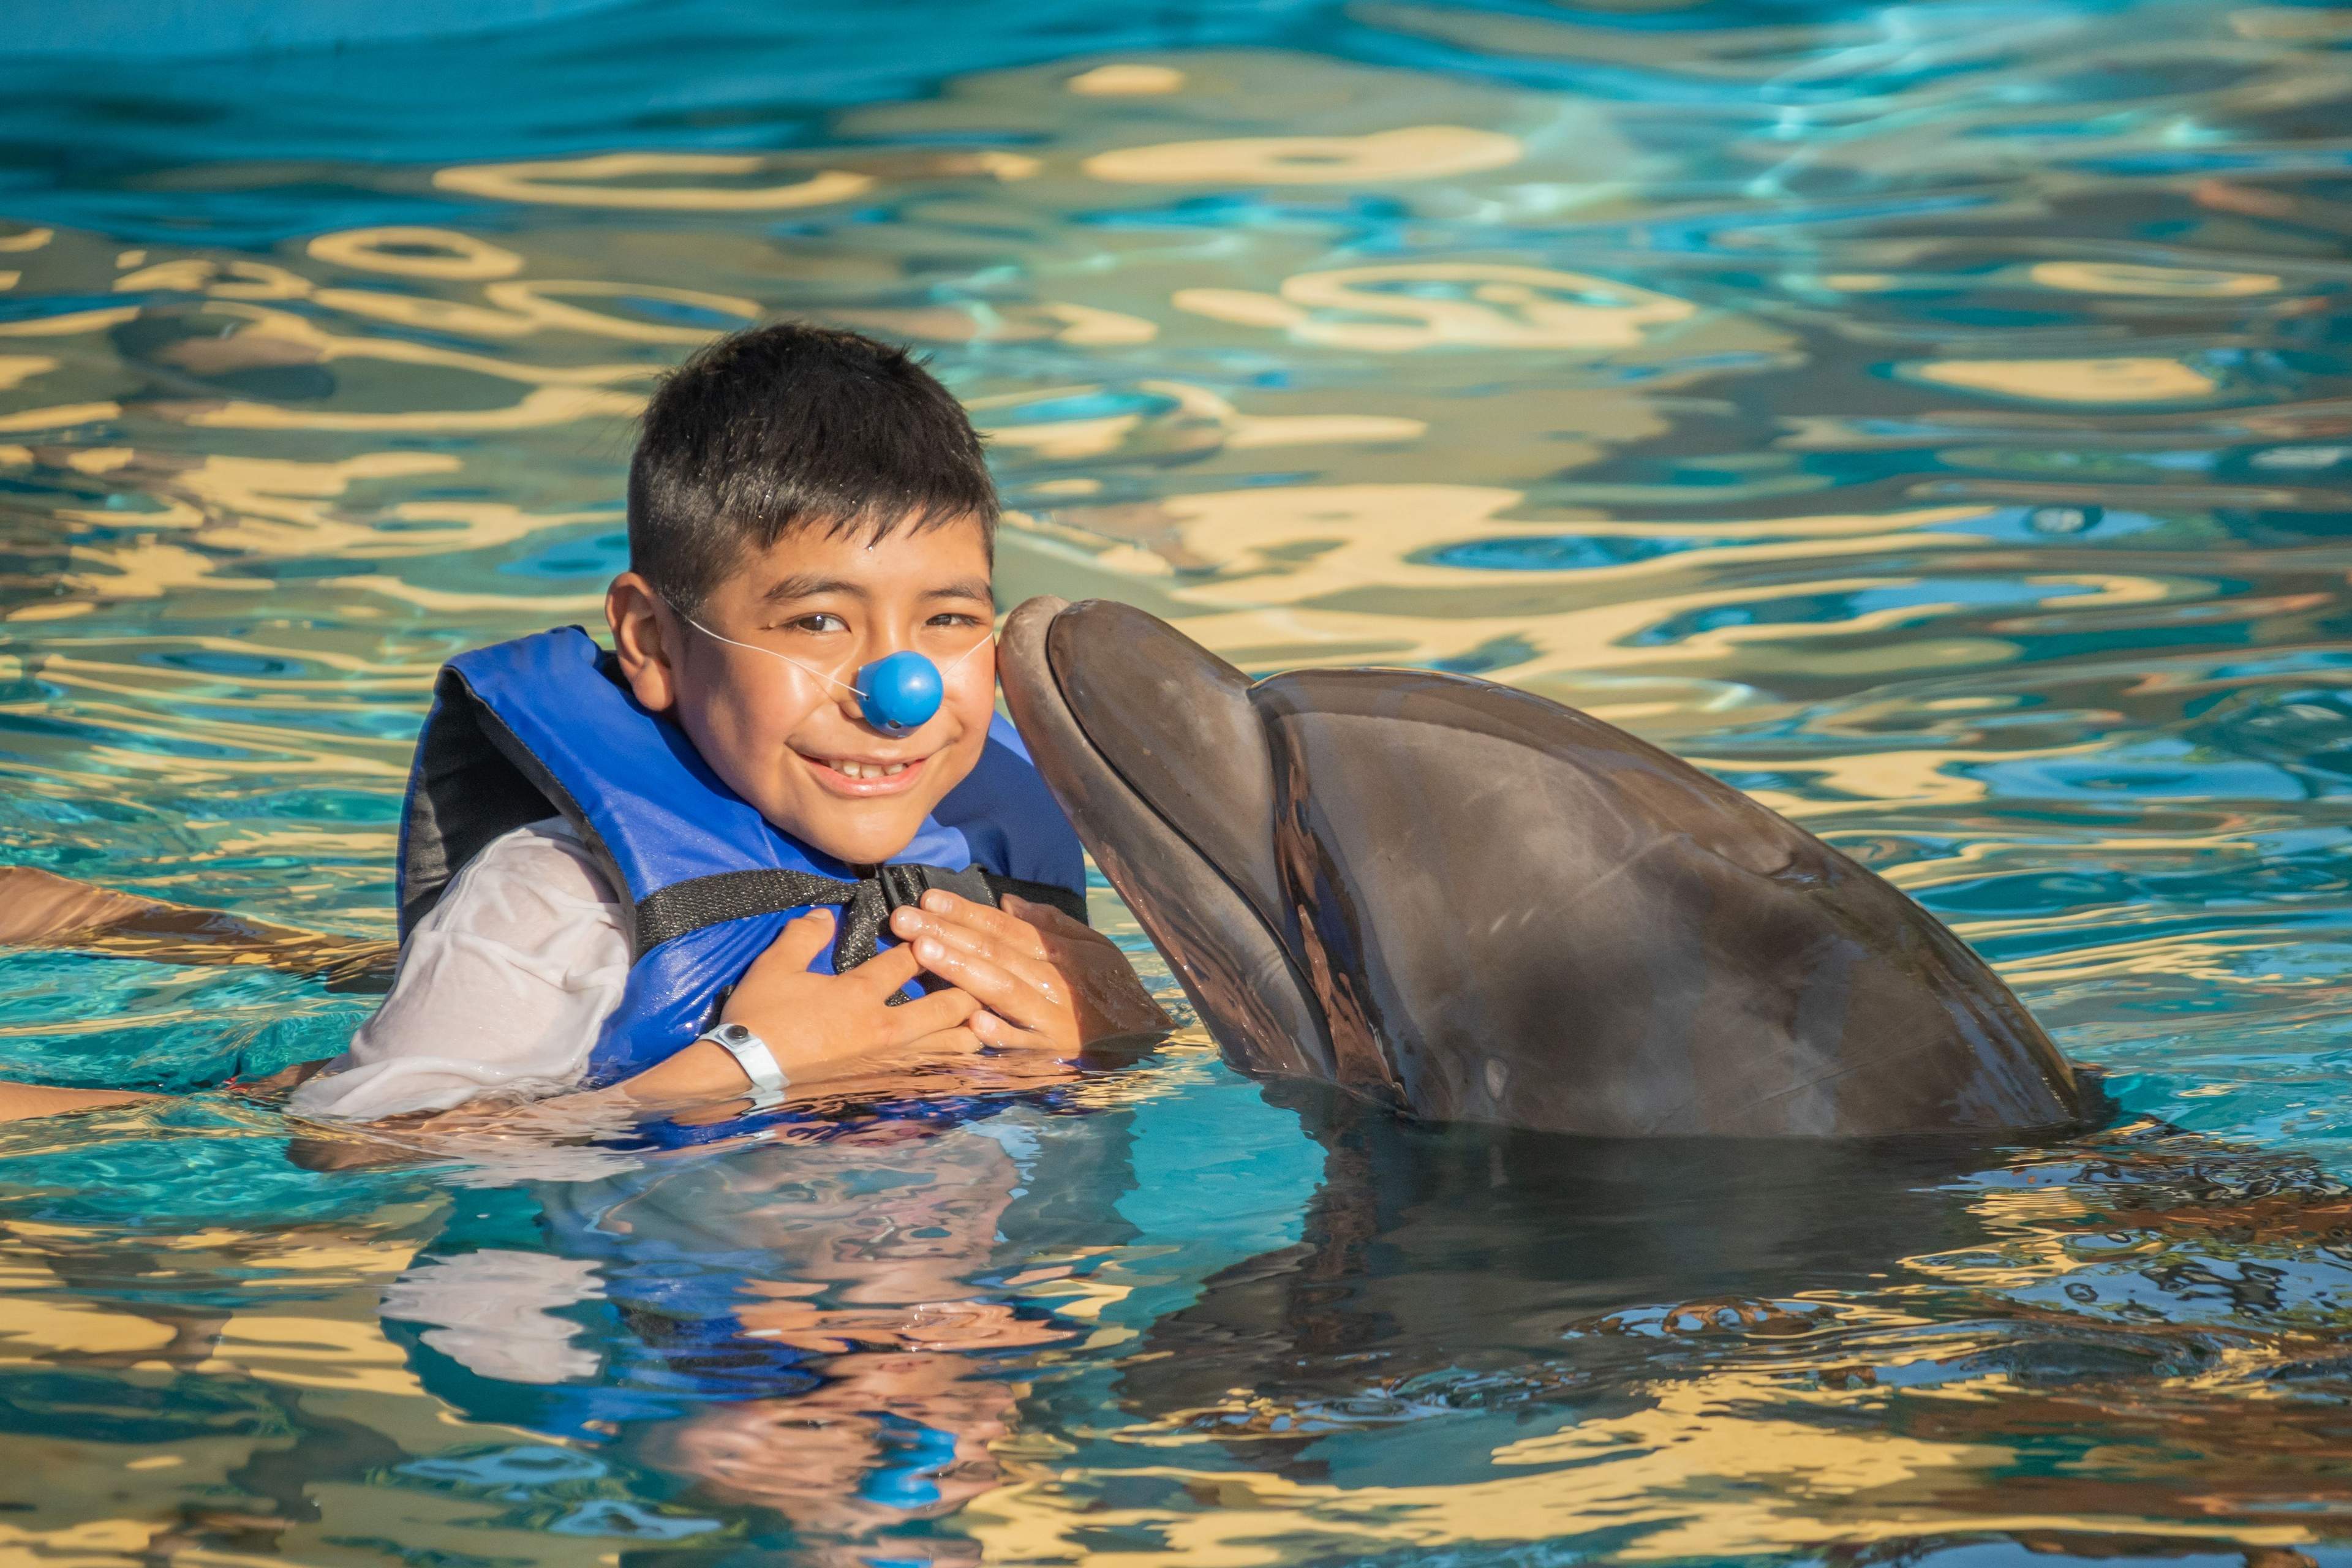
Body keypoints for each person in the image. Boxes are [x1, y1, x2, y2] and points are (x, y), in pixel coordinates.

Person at [0, 323, 1169, 1125]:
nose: (899, 689)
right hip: (541, 1052)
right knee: (232, 1112)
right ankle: (111, 939)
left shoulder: (987, 845)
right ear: (654, 646)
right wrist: (747, 1071)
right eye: (817, 622)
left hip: (603, 1020)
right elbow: (357, 1149)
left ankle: (154, 925)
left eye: (949, 618)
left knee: (431, 1004)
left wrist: (1126, 1028)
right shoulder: (554, 905)